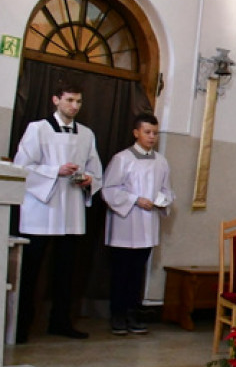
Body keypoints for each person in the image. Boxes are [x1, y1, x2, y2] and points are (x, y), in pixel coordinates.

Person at [15, 81, 103, 341]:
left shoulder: (87, 134)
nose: (74, 106)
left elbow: (96, 171)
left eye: (78, 101)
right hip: (42, 209)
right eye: (69, 100)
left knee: (66, 272)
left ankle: (61, 321)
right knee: (30, 271)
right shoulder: (38, 129)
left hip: (71, 210)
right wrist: (55, 171)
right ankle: (21, 325)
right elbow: (22, 168)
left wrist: (89, 180)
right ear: (56, 100)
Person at [101, 113, 174, 335]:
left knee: (137, 272)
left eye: (155, 133)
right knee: (121, 272)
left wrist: (161, 201)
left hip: (147, 225)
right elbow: (109, 189)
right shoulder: (122, 159)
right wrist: (135, 199)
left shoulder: (161, 161)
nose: (152, 137)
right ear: (136, 133)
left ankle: (133, 313)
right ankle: (118, 314)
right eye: (147, 132)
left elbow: (167, 190)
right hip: (126, 223)